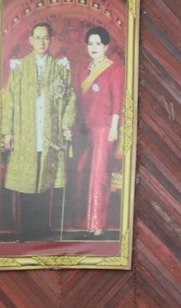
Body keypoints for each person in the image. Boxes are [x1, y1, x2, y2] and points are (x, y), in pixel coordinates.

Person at [0, 22, 75, 241]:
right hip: (26, 134)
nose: (42, 42)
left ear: (51, 40)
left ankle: (42, 230)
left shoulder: (60, 69)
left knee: (45, 181)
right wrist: (8, 133)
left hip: (50, 135)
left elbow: (70, 99)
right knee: (27, 181)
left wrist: (66, 125)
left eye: (46, 38)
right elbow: (9, 102)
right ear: (30, 40)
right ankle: (26, 231)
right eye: (38, 38)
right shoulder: (20, 68)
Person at [73, 26, 124, 238]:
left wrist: (114, 128)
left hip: (104, 128)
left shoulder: (115, 69)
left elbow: (118, 100)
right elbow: (77, 98)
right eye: (90, 43)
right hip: (85, 128)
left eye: (98, 44)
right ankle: (83, 221)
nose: (94, 47)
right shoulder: (82, 68)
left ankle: (97, 223)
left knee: (98, 174)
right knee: (81, 170)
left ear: (106, 46)